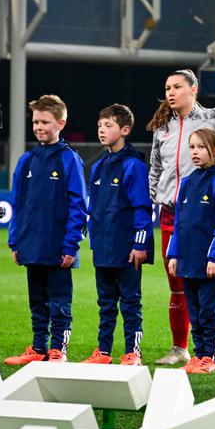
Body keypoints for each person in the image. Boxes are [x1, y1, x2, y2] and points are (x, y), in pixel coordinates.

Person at [147, 69, 215, 366]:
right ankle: (181, 347)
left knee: (207, 279)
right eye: (167, 87)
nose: (170, 92)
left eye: (177, 86)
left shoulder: (214, 120)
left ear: (193, 89)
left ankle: (213, 349)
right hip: (173, 212)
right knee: (178, 282)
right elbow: (155, 167)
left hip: (204, 212)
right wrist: (159, 196)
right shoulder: (162, 126)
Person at [5, 95, 88, 365]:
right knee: (37, 301)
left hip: (58, 247)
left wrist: (71, 245)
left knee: (60, 302)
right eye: (35, 121)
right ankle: (39, 348)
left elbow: (79, 205)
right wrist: (15, 241)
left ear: (61, 123)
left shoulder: (69, 159)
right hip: (31, 244)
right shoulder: (27, 160)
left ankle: (57, 350)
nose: (39, 126)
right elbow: (17, 204)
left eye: (45, 121)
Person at [83, 104, 153, 366]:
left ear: (124, 130)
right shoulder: (99, 166)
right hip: (103, 248)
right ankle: (103, 351)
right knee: (105, 304)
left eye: (108, 126)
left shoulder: (133, 165)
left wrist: (139, 244)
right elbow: (94, 209)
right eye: (100, 125)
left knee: (131, 303)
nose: (102, 130)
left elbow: (142, 208)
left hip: (127, 249)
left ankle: (133, 352)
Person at [165, 128, 215, 374]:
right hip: (188, 259)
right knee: (194, 311)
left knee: (209, 310)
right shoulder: (187, 183)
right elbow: (179, 223)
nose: (195, 152)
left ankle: (213, 356)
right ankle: (200, 354)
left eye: (201, 147)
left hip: (210, 263)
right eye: (192, 147)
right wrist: (174, 254)